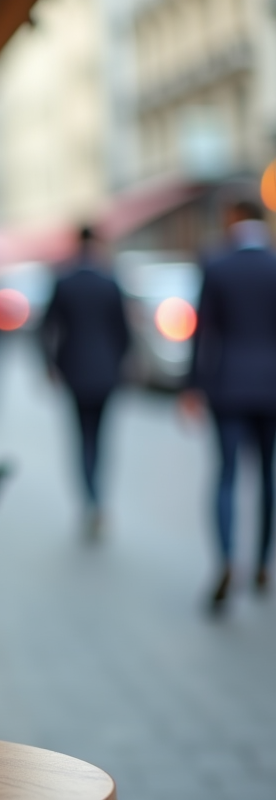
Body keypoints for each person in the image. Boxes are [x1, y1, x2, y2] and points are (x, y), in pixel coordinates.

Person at [183, 199, 276, 612]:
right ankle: (261, 564)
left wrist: (192, 387)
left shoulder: (216, 265)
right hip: (271, 387)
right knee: (268, 476)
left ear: (231, 218)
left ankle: (226, 559)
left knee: (226, 475)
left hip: (228, 385)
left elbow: (202, 332)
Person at [40, 226, 130, 536]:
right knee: (101, 439)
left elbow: (46, 327)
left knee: (82, 439)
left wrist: (50, 365)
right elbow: (124, 332)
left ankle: (90, 499)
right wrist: (120, 364)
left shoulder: (65, 281)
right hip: (106, 373)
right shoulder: (110, 281)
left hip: (75, 371)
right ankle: (98, 498)